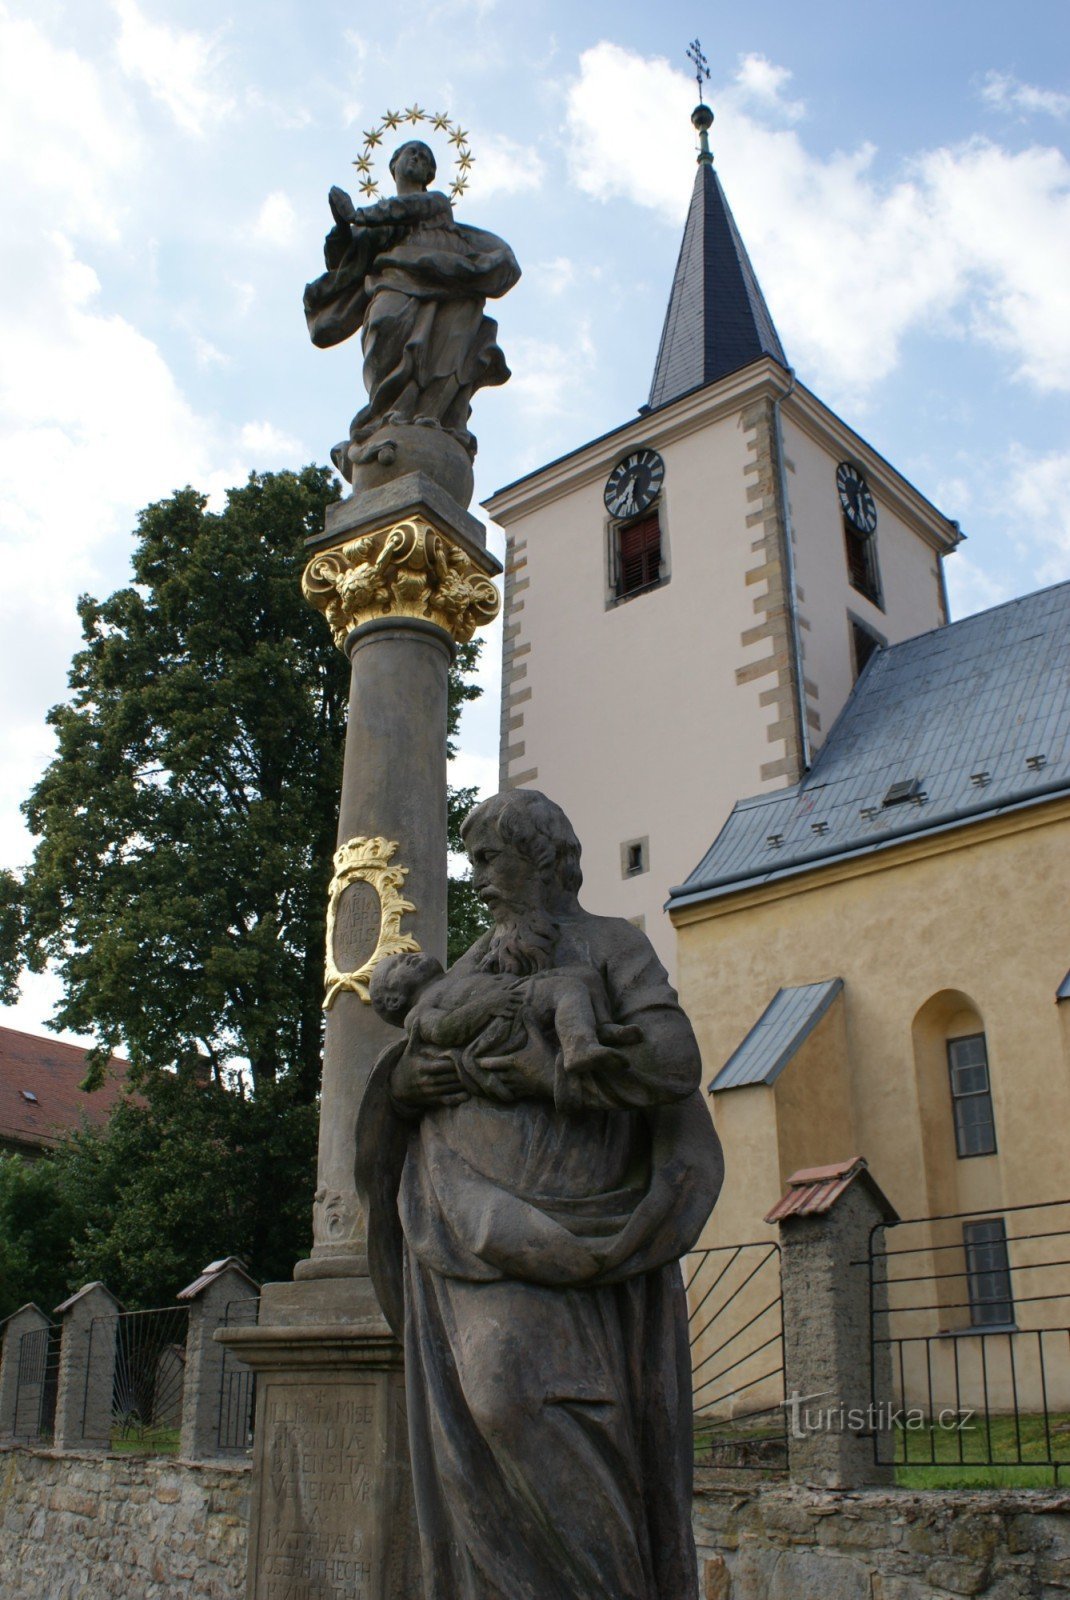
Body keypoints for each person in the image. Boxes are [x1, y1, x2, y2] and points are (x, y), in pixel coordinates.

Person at [356, 789, 723, 1600]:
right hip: (464, 1231)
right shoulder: (469, 969)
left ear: (548, 858)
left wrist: (553, 1074)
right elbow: (412, 1068)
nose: (478, 879)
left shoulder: (611, 945)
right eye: (473, 861)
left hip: (582, 1235)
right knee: (484, 1420)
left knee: (520, 1399)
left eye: (491, 859)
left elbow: (673, 1060)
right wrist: (412, 1083)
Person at [303, 140, 520, 475]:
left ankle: (424, 412)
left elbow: (404, 210)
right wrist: (343, 227)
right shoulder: (374, 222)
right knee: (384, 327)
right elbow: (345, 261)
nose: (418, 158)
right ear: (394, 164)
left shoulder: (433, 202)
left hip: (441, 279)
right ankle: (386, 413)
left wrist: (356, 214)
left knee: (442, 349)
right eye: (411, 153)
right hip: (392, 282)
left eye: (425, 157)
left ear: (431, 173)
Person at [367, 946, 643, 1096]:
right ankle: (578, 1048)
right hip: (508, 1011)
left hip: (517, 993)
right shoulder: (419, 1012)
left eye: (405, 956)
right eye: (396, 966)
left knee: (586, 976)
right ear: (393, 1001)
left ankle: (600, 1027)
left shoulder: (455, 974)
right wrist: (487, 1006)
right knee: (567, 989)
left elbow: (484, 945)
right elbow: (443, 1030)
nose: (407, 957)